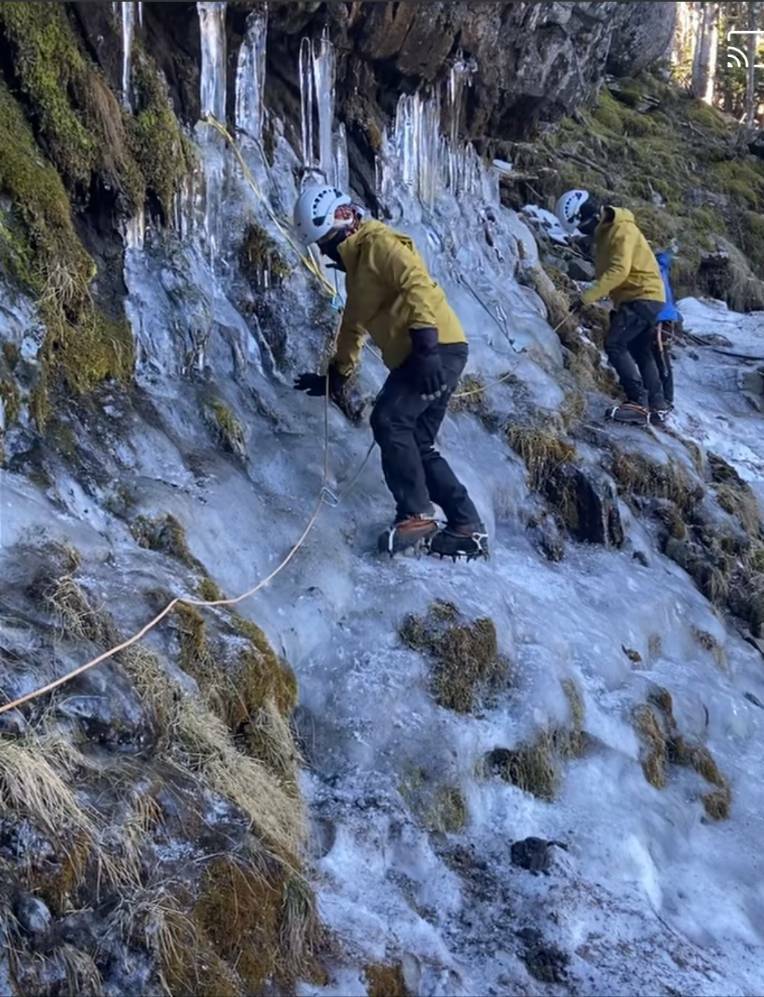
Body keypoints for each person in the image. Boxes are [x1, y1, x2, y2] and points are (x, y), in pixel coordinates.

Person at [292, 184, 487, 559]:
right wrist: (337, 375)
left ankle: (416, 514)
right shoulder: (356, 271)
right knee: (418, 442)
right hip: (425, 354)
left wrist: (428, 346)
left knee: (390, 420)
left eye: (326, 241)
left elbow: (414, 282)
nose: (325, 251)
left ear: (345, 219)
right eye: (321, 246)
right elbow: (352, 326)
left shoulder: (378, 244)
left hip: (436, 350)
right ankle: (467, 526)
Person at [555, 189, 669, 425]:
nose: (582, 231)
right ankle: (657, 404)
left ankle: (637, 402)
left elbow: (619, 271)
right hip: (645, 296)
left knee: (615, 344)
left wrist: (587, 297)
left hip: (641, 296)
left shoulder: (622, 230)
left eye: (581, 226)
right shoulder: (606, 232)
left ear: (589, 217)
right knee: (640, 350)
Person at [653, 249, 682, 410]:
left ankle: (666, 397)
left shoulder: (653, 269)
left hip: (659, 318)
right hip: (667, 317)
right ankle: (666, 395)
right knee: (662, 355)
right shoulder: (662, 268)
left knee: (659, 356)